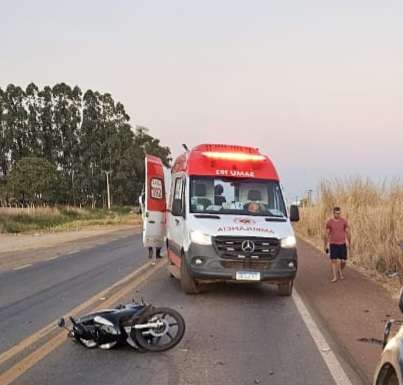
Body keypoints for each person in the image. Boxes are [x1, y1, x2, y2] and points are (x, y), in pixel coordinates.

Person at [324, 206, 351, 283]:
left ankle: (340, 270)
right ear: (333, 213)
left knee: (343, 261)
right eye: (336, 213)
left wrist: (349, 242)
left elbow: (348, 232)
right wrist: (325, 245)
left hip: (342, 243)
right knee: (333, 260)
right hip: (333, 244)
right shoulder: (329, 222)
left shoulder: (344, 221)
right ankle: (335, 276)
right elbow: (326, 234)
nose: (338, 215)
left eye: (339, 213)